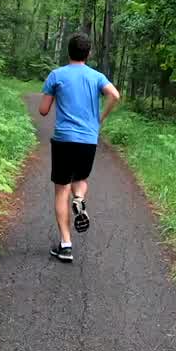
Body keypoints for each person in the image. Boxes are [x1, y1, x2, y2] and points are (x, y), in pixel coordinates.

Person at [39, 32, 121, 263]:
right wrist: (99, 118)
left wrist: (55, 95)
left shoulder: (57, 75)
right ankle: (80, 199)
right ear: (89, 53)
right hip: (88, 139)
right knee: (80, 180)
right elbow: (114, 95)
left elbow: (43, 111)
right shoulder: (96, 76)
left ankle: (65, 244)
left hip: (64, 139)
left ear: (68, 51)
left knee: (61, 188)